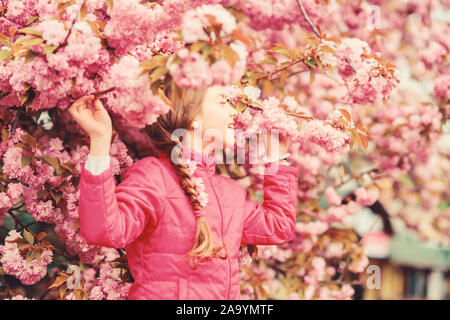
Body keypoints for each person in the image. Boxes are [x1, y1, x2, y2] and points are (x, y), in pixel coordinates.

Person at [68, 85, 299, 300]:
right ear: (193, 119)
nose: (234, 112)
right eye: (222, 102)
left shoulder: (230, 192)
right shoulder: (154, 175)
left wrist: (277, 158)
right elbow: (106, 231)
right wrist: (99, 141)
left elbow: (278, 226)